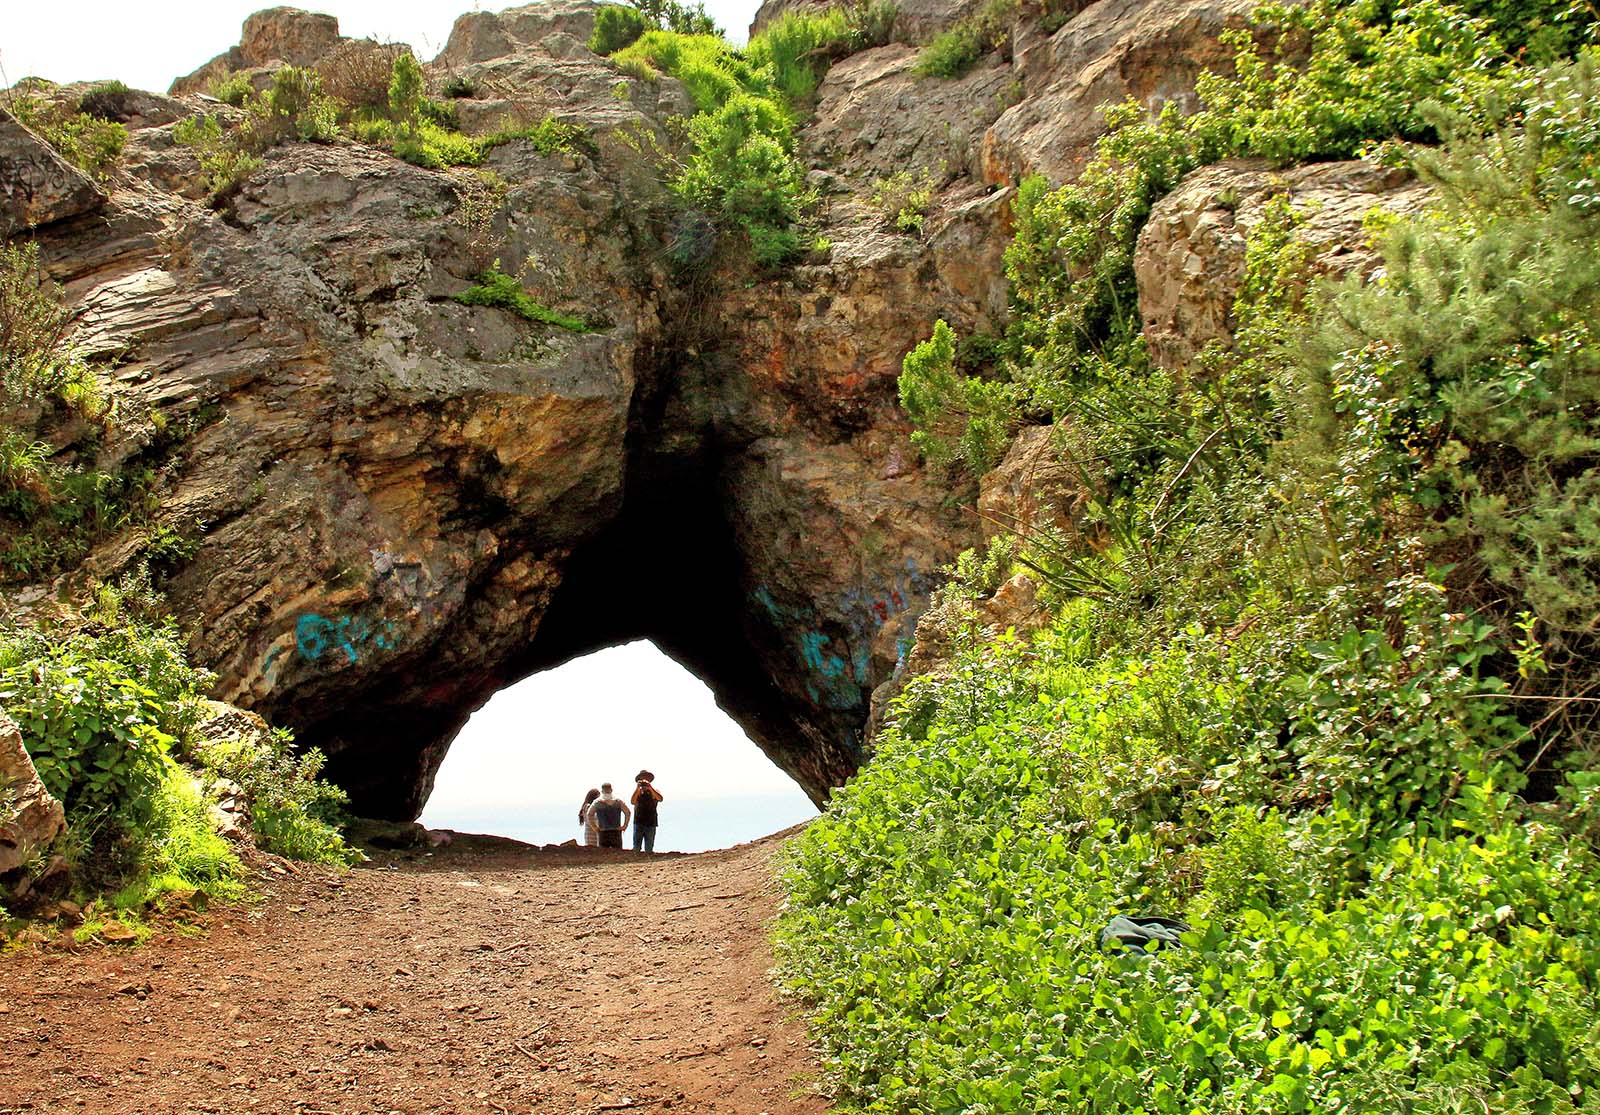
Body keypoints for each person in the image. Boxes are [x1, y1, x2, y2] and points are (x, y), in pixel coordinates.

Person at [589, 783, 630, 849]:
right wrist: (625, 826)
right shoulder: (618, 801)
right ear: (611, 790)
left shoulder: (597, 802)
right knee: (617, 854)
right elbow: (627, 812)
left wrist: (594, 827)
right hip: (616, 831)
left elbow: (589, 814)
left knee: (603, 855)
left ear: (602, 791)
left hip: (603, 831)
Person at [630, 770, 663, 853]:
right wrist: (637, 789)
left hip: (651, 821)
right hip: (638, 821)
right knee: (636, 847)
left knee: (649, 847)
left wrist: (650, 788)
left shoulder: (655, 790)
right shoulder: (638, 792)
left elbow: (660, 798)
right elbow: (633, 801)